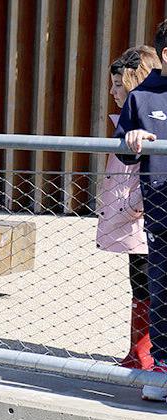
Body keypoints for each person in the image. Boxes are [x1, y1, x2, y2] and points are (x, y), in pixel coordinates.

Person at [97, 46, 160, 378]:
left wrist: (135, 205)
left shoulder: (151, 120)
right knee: (140, 284)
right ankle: (138, 352)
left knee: (151, 284)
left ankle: (147, 354)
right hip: (133, 216)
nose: (112, 92)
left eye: (119, 85)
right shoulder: (125, 123)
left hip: (144, 215)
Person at [116, 21, 167, 397]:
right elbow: (121, 149)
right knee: (161, 288)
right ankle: (162, 368)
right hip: (161, 212)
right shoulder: (143, 97)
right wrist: (131, 139)